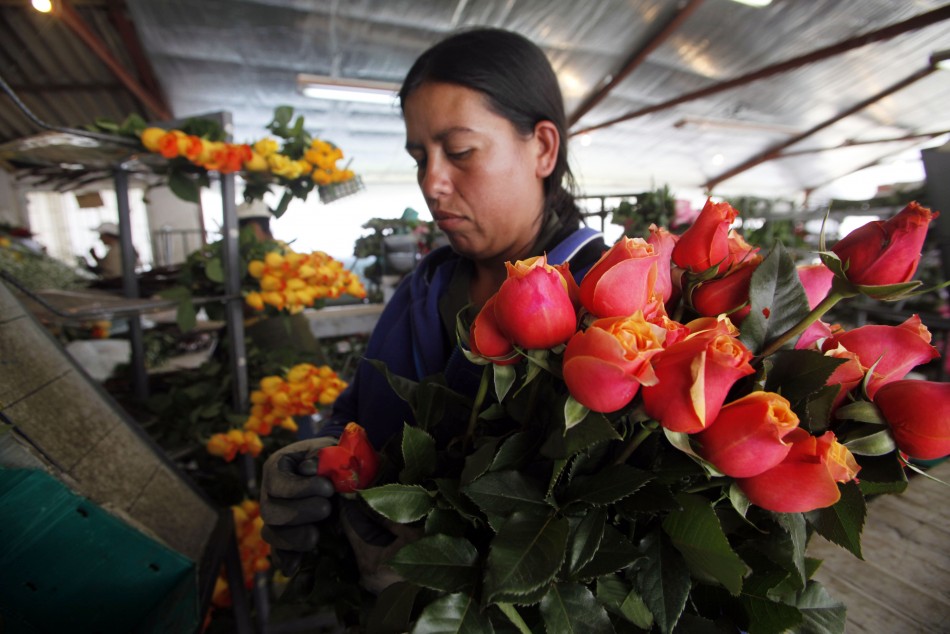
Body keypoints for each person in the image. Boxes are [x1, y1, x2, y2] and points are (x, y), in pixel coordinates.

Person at [259, 27, 606, 584]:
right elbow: (359, 415)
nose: (432, 182)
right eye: (420, 156)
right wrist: (317, 463)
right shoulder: (427, 287)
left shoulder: (613, 305)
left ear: (542, 147)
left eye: (460, 152)